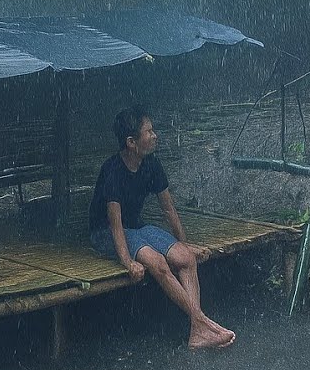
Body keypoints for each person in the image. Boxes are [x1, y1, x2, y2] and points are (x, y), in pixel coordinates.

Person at [88, 107, 236, 350]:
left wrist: (184, 243)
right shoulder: (112, 171)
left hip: (137, 227)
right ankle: (201, 323)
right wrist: (128, 262)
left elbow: (169, 210)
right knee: (157, 262)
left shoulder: (151, 164)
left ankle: (197, 331)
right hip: (105, 233)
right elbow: (114, 225)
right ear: (131, 142)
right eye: (149, 131)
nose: (155, 135)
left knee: (186, 258)